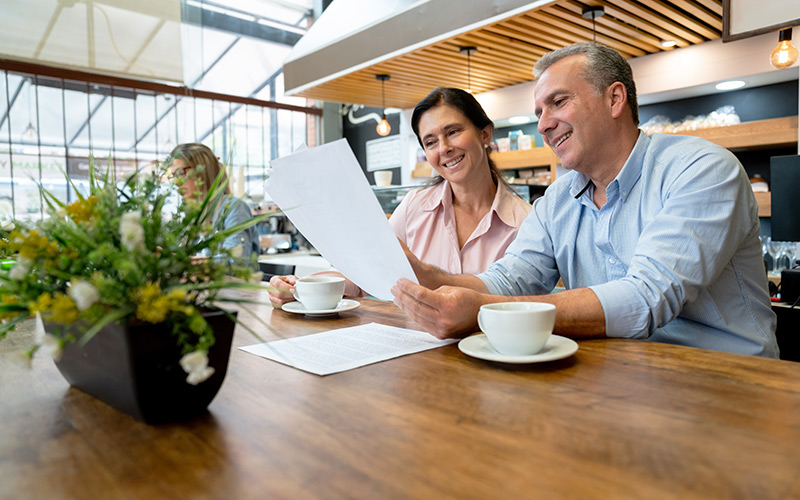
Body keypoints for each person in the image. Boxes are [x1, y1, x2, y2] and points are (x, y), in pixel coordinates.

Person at [391, 43, 779, 358]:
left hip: (729, 386)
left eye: (557, 103)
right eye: (539, 112)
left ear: (614, 99)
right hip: (618, 381)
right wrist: (428, 276)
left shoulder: (701, 169)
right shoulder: (558, 198)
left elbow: (646, 298)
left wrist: (482, 313)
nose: (543, 124)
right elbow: (510, 279)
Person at [268, 88, 532, 307]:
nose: (444, 148)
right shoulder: (414, 207)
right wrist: (301, 286)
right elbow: (364, 274)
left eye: (453, 131)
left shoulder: (526, 221)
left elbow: (522, 302)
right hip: (414, 355)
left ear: (485, 134)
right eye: (430, 142)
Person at [169, 143, 259, 264]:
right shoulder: (194, 216)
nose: (176, 182)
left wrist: (185, 262)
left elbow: (235, 262)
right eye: (174, 176)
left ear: (202, 169)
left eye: (181, 173)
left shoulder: (233, 208)